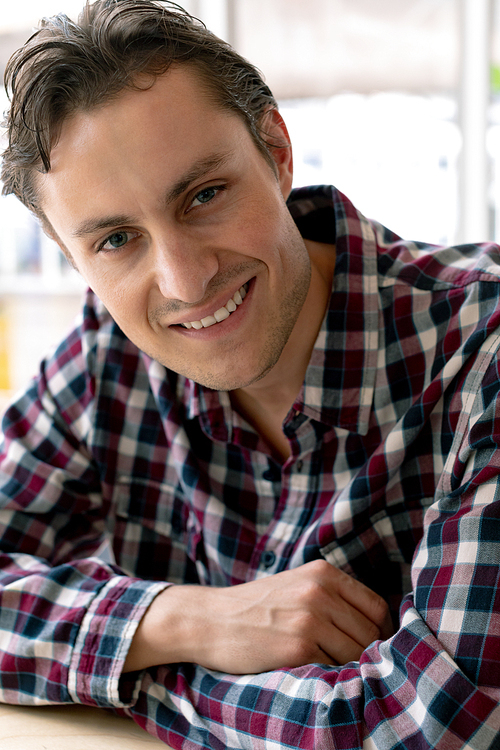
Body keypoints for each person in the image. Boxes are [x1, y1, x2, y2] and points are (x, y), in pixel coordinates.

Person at [0, 0, 499, 747]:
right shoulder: (112, 352)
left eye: (204, 196)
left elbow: (425, 730)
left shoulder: (482, 349)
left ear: (276, 148)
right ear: (74, 259)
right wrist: (189, 619)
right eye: (115, 240)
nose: (184, 279)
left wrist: (138, 671)